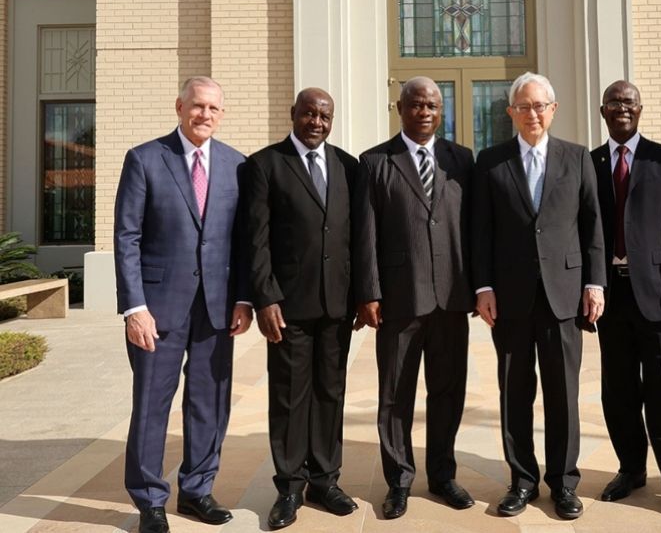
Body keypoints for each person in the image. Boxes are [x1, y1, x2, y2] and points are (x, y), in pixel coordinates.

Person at [114, 76, 253, 533]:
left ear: (222, 114)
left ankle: (197, 490)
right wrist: (135, 307)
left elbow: (243, 242)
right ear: (179, 106)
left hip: (216, 307)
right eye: (197, 106)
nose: (205, 115)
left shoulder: (237, 165)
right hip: (157, 309)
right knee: (153, 403)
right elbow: (127, 238)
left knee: (209, 403)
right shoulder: (145, 159)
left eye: (214, 108)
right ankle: (150, 500)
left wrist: (243, 299)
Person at [472, 72, 606, 520]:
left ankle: (565, 484)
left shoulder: (577, 157)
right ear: (511, 112)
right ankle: (522, 480)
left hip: (564, 295)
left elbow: (592, 227)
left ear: (554, 110)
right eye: (524, 106)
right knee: (515, 391)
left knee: (563, 394)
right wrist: (484, 287)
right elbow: (481, 233)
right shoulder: (490, 162)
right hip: (509, 298)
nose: (533, 114)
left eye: (540, 106)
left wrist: (595, 283)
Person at [352, 76, 476, 520]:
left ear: (441, 111)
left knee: (448, 392)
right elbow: (365, 236)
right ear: (400, 109)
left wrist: (479, 288)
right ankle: (399, 481)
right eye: (416, 105)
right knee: (395, 395)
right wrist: (368, 293)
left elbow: (473, 230)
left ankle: (442, 475)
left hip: (451, 299)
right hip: (400, 301)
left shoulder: (462, 159)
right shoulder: (375, 162)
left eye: (432, 106)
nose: (424, 112)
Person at [244, 88, 360, 529]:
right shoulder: (265, 165)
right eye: (308, 113)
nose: (316, 122)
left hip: (336, 305)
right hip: (288, 307)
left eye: (324, 116)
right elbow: (255, 239)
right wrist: (266, 297)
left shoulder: (348, 167)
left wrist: (362, 295)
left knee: (331, 392)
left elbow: (356, 238)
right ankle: (290, 488)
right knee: (290, 397)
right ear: (293, 114)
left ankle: (325, 481)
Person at [591, 80, 661, 526]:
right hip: (609, 296)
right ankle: (631, 469)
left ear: (641, 110)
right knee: (617, 390)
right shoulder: (591, 162)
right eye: (615, 102)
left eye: (630, 102)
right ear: (603, 111)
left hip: (657, 296)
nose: (623, 108)